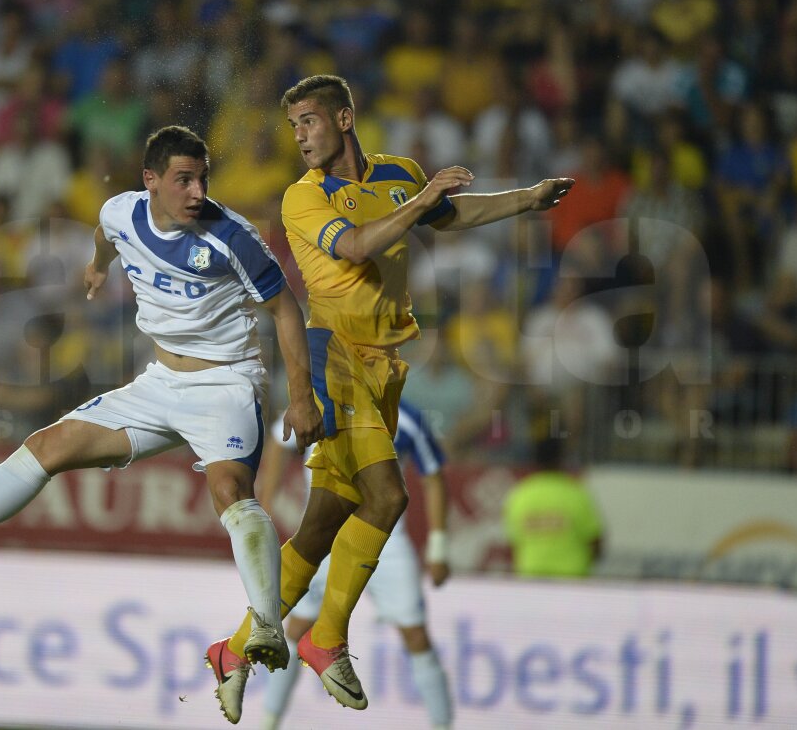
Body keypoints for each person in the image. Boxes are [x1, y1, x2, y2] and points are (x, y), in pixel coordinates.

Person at [0, 126, 323, 677]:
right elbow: (105, 233)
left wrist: (300, 398)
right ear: (150, 180)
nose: (197, 192)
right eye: (183, 180)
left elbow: (286, 310)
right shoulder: (122, 212)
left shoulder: (233, 237)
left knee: (230, 492)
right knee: (46, 447)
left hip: (226, 384)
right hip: (159, 383)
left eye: (203, 179)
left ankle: (266, 625)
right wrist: (100, 264)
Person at [209, 74, 573, 720]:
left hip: (383, 365)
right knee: (387, 496)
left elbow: (450, 216)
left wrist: (528, 198)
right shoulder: (303, 197)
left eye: (309, 121)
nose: (300, 136)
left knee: (321, 526)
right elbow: (356, 246)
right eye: (293, 126)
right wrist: (423, 199)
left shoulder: (400, 174)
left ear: (344, 119)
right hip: (334, 356)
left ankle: (232, 652)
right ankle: (325, 639)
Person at [258, 399, 454, 730]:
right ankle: (269, 721)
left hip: (386, 541)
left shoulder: (405, 417)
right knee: (296, 628)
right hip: (325, 535)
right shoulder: (318, 403)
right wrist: (264, 508)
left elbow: (433, 476)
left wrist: (438, 548)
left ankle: (442, 725)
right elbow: (280, 441)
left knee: (415, 634)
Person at [503, 435, 603, 578]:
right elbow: (596, 543)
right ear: (561, 459)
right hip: (571, 579)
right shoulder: (575, 494)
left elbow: (513, 544)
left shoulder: (520, 494)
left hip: (530, 578)